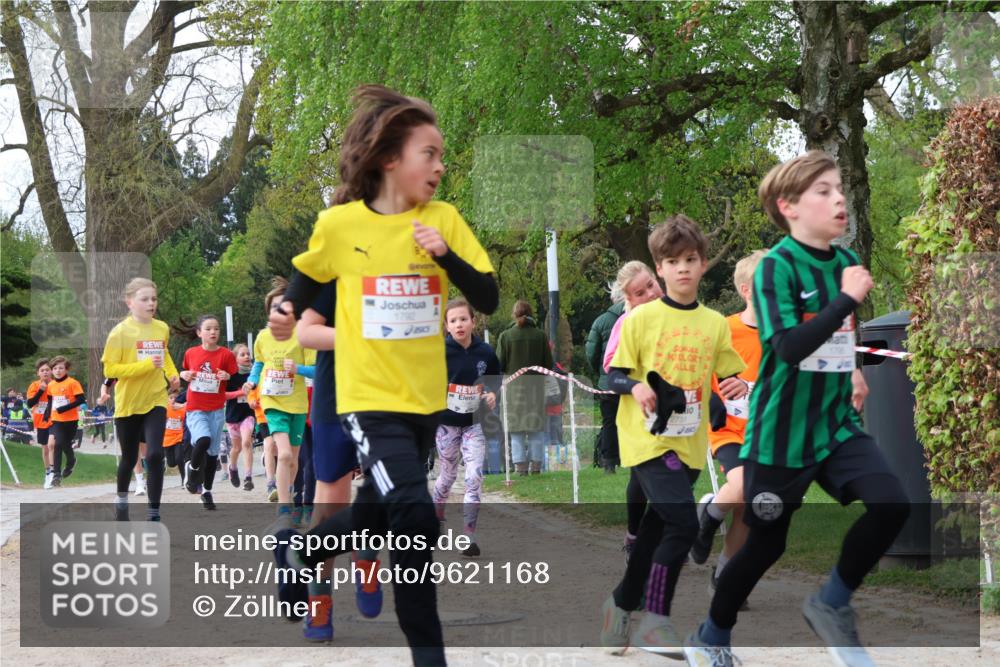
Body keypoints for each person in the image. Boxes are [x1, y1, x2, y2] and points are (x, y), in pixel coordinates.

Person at [267, 85, 498, 666]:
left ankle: (302, 547)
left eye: (442, 155)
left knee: (377, 512)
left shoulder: (443, 219)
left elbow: (488, 295)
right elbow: (305, 275)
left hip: (426, 400)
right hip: (366, 399)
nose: (442, 166)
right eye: (431, 153)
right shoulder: (341, 225)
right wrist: (286, 310)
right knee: (415, 519)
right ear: (390, 158)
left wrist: (445, 256)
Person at [684, 151, 910, 667]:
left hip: (834, 424)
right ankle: (712, 636)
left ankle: (831, 602)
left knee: (893, 503)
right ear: (788, 206)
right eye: (823, 192)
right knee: (766, 545)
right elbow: (786, 346)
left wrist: (851, 369)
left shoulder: (846, 264)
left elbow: (837, 337)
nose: (838, 199)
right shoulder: (775, 270)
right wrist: (846, 303)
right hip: (780, 434)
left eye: (839, 188)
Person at [599, 215, 748, 657]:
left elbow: (725, 375)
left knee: (652, 536)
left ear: (704, 265)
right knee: (683, 523)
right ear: (658, 269)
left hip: (688, 445)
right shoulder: (640, 319)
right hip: (646, 441)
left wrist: (731, 387)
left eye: (690, 259)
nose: (682, 268)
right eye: (672, 261)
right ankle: (655, 621)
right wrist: (637, 387)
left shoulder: (715, 324)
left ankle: (621, 604)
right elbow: (610, 377)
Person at [687, 249, 768, 611]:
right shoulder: (725, 329)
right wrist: (712, 399)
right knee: (742, 487)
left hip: (767, 433)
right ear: (748, 289)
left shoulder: (785, 335)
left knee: (750, 509)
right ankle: (707, 519)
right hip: (730, 429)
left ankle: (724, 576)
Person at [601, 261, 665, 562]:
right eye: (640, 293)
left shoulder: (678, 314)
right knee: (642, 480)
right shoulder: (625, 323)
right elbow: (609, 365)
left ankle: (661, 537)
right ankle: (634, 536)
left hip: (677, 417)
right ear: (630, 299)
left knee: (674, 479)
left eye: (651, 284)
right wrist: (636, 385)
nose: (651, 293)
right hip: (638, 418)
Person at [102, 278, 180, 520]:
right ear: (130, 302)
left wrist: (172, 373)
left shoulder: (161, 328)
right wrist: (145, 366)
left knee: (156, 454)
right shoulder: (120, 333)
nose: (151, 303)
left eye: (154, 299)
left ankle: (154, 512)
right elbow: (110, 371)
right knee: (128, 458)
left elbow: (164, 354)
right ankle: (122, 499)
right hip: (128, 404)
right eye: (144, 299)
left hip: (156, 398)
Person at [432, 298, 501, 557]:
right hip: (446, 424)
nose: (459, 324)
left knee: (473, 476)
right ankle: (435, 515)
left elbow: (495, 380)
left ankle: (469, 537)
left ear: (473, 321)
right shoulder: (439, 352)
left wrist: (493, 395)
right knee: (447, 476)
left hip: (475, 424)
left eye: (463, 319)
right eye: (453, 321)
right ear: (446, 326)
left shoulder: (485, 352)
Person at [244, 277, 315, 519]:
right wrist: (252, 381)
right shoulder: (263, 337)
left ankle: (288, 495)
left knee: (294, 460)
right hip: (272, 402)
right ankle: (284, 506)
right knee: (283, 454)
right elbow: (259, 363)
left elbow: (316, 369)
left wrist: (298, 369)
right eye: (275, 307)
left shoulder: (304, 336)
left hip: (297, 404)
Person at [177, 314, 238, 511]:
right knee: (202, 440)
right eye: (209, 328)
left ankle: (207, 491)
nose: (213, 332)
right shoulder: (191, 353)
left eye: (217, 329)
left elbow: (235, 381)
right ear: (199, 333)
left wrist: (228, 376)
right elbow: (185, 372)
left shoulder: (226, 355)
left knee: (212, 454)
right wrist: (183, 374)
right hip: (195, 407)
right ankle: (193, 471)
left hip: (217, 409)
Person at [496, 300, 553, 475]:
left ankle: (520, 469)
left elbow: (499, 364)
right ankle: (536, 468)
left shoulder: (505, 336)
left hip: (514, 391)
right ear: (531, 313)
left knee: (516, 431)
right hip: (536, 389)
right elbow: (548, 365)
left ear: (514, 314)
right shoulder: (541, 336)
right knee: (535, 429)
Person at [586, 290, 626, 472]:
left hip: (608, 381)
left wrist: (599, 373)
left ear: (612, 298)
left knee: (609, 422)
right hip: (633, 381)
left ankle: (609, 463)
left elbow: (591, 354)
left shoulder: (600, 321)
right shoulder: (640, 317)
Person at [46, 356, 88, 487]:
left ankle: (71, 461)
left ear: (66, 369)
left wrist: (65, 408)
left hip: (71, 420)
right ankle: (56, 475)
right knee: (57, 444)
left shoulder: (72, 383)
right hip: (56, 420)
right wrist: (46, 415)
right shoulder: (51, 385)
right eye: (55, 368)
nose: (58, 371)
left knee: (65, 445)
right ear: (52, 370)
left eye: (61, 368)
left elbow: (81, 400)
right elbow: (50, 401)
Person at [224, 343, 256, 486]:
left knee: (247, 443)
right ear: (235, 358)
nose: (247, 357)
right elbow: (224, 395)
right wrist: (241, 392)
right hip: (233, 415)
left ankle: (248, 477)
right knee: (236, 448)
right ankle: (233, 468)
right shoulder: (231, 376)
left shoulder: (254, 375)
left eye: (248, 354)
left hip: (248, 414)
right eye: (242, 354)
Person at [26, 358, 55, 488]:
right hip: (41, 421)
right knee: (45, 448)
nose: (45, 372)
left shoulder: (56, 384)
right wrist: (41, 390)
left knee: (52, 445)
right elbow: (30, 403)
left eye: (47, 370)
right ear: (38, 373)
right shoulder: (34, 385)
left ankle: (54, 472)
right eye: (42, 370)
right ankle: (48, 472)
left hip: (56, 420)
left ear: (52, 371)